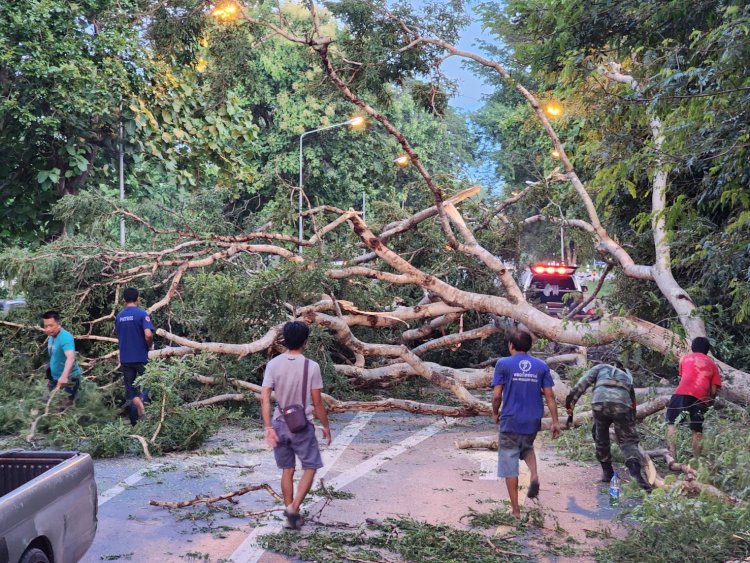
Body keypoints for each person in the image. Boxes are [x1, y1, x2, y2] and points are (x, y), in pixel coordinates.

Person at [261, 321, 332, 530]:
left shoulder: (273, 364)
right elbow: (317, 402)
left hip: (279, 422)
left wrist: (268, 428)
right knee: (310, 466)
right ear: (305, 342)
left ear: (285, 340)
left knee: (287, 469)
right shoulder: (312, 366)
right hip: (302, 425)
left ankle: (291, 513)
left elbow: (265, 398)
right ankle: (293, 508)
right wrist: (326, 425)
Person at [492, 329, 561, 518]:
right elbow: (550, 396)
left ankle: (515, 510)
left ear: (511, 346)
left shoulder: (503, 364)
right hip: (533, 419)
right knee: (527, 447)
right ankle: (534, 474)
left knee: (509, 462)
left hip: (511, 418)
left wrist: (495, 413)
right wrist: (555, 422)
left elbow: (497, 395)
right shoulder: (541, 366)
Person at [565, 364, 652, 491]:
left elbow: (581, 385)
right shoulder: (627, 375)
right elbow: (632, 404)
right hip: (622, 404)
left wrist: (570, 405)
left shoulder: (600, 367)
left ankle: (607, 472)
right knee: (628, 442)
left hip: (600, 402)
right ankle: (637, 477)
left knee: (600, 436)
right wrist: (630, 427)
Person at [665, 337, 722, 458]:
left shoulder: (684, 358)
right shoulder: (713, 364)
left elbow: (684, 377)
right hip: (701, 398)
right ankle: (696, 460)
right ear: (707, 350)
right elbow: (713, 390)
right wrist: (710, 401)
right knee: (697, 429)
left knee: (672, 423)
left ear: (692, 347)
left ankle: (672, 457)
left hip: (681, 393)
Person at [115, 288, 154, 425]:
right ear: (138, 298)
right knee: (149, 381)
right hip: (140, 356)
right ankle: (142, 400)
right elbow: (148, 334)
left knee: (130, 390)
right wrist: (149, 345)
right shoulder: (142, 314)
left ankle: (134, 424)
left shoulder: (119, 317)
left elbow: (119, 335)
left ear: (124, 300)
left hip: (125, 358)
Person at [41, 311, 82, 405]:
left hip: (69, 379)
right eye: (45, 326)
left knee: (62, 409)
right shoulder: (52, 336)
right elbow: (54, 355)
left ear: (58, 323)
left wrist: (64, 377)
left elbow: (70, 357)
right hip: (54, 379)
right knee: (43, 403)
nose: (48, 329)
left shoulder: (65, 337)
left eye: (51, 325)